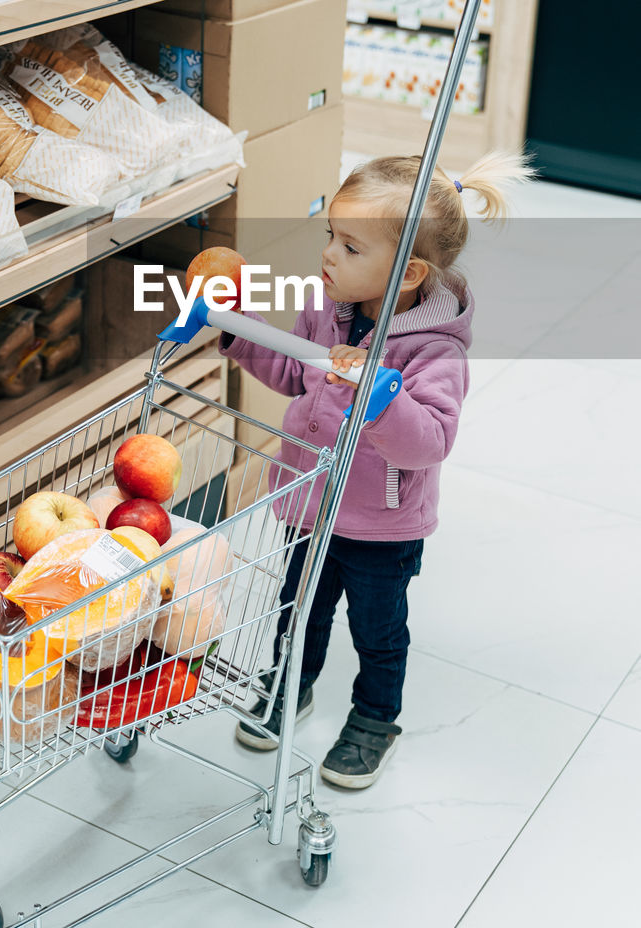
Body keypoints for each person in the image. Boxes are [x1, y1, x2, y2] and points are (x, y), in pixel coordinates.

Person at [224, 151, 534, 789]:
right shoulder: (327, 307)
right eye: (330, 237)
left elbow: (430, 443)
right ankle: (289, 687)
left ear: (411, 271)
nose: (330, 256)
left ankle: (373, 719)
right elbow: (294, 375)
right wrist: (239, 330)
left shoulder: (433, 349)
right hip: (311, 501)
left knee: (378, 627)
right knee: (298, 607)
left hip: (380, 522)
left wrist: (382, 395)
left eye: (352, 247)